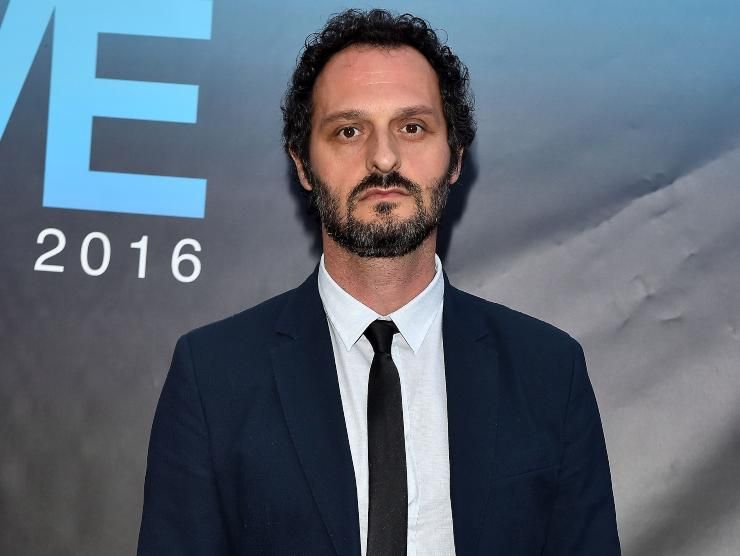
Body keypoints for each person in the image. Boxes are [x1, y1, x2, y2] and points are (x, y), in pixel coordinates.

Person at [138, 8, 620, 556]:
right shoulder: (213, 378)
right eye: (349, 131)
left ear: (455, 157)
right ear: (303, 164)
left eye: (412, 127)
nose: (384, 158)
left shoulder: (548, 372)